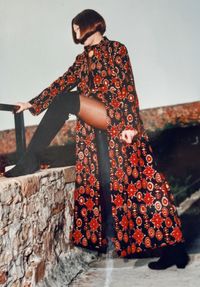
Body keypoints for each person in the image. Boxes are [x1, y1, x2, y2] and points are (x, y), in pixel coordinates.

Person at [4, 9, 189, 269]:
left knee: (146, 183)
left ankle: (29, 159)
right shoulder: (82, 60)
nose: (75, 33)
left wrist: (128, 125)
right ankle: (173, 251)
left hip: (117, 120)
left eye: (76, 27)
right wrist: (32, 103)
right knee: (130, 189)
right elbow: (61, 83)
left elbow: (127, 86)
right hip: (97, 132)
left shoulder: (116, 49)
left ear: (89, 25)